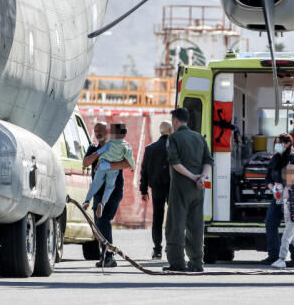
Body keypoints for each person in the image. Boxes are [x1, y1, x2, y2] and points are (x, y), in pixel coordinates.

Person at [164, 107, 212, 273]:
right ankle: (196, 262)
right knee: (196, 226)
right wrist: (201, 177)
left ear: (176, 120)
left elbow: (175, 162)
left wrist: (192, 177)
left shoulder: (174, 137)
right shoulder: (199, 137)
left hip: (181, 188)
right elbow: (208, 161)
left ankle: (177, 263)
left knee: (175, 225)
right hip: (198, 189)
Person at [83, 122, 132, 268]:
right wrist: (100, 152)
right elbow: (86, 163)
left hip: (114, 190)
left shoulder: (116, 146)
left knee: (103, 219)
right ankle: (106, 255)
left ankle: (108, 255)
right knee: (100, 223)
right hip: (98, 191)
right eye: (96, 130)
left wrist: (110, 165)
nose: (98, 133)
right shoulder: (93, 148)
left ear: (108, 132)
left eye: (101, 130)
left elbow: (127, 163)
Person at [262, 133, 294, 266]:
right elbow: (268, 178)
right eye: (276, 142)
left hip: (291, 197)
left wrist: (285, 188)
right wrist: (273, 188)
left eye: (279, 142)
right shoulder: (274, 159)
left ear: (287, 144)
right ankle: (273, 255)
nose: (277, 145)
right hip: (278, 197)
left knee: (291, 227)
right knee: (270, 223)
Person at [82, 129, 136, 218]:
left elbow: (103, 153)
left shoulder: (109, 142)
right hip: (113, 169)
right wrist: (133, 167)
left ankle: (86, 201)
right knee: (110, 186)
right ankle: (102, 203)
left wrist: (98, 164)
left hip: (102, 165)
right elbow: (130, 158)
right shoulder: (125, 146)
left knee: (95, 184)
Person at [138, 122, 172, 260]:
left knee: (157, 218)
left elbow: (144, 170)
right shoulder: (174, 147)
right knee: (173, 217)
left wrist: (143, 190)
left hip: (156, 187)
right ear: (170, 130)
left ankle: (157, 249)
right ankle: (171, 246)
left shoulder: (150, 148)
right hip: (172, 187)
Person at [271, 164, 294, 269]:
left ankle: (282, 259)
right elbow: (279, 201)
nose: (290, 176)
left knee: (285, 238)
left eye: (292, 174)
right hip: (288, 217)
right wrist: (277, 193)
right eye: (287, 174)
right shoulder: (286, 187)